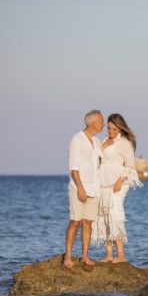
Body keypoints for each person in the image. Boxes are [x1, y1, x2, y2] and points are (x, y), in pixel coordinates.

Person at [92, 113, 143, 262]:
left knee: (115, 215)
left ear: (120, 127)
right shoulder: (105, 139)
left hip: (118, 183)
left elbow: (130, 167)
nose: (111, 131)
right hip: (103, 182)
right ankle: (108, 254)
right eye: (109, 128)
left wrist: (119, 182)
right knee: (104, 217)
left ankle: (121, 255)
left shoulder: (125, 142)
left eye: (114, 129)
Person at [63, 110, 104, 269]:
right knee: (75, 222)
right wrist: (80, 188)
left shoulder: (97, 141)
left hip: (95, 188)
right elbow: (73, 168)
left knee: (88, 223)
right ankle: (68, 256)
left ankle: (85, 256)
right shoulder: (77, 139)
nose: (103, 124)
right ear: (93, 122)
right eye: (101, 121)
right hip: (79, 187)